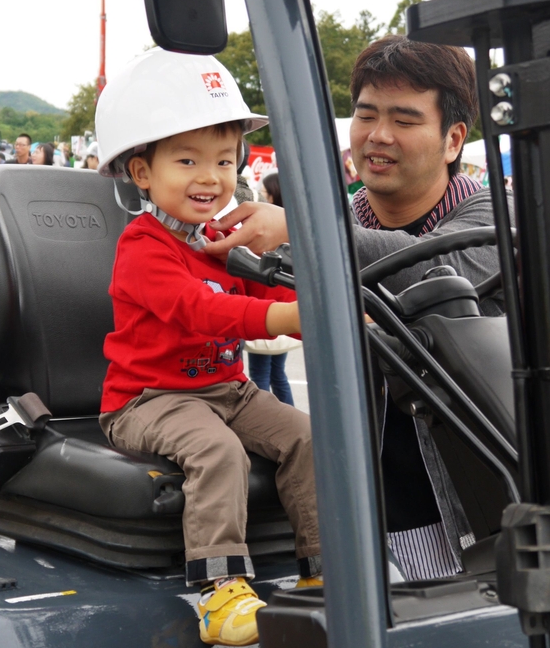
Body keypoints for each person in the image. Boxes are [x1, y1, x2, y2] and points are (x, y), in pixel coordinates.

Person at [204, 35, 512, 581]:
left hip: (486, 500)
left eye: (405, 118)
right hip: (360, 499)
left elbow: (440, 272)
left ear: (452, 139)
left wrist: (305, 228)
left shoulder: (489, 215)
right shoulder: (331, 226)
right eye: (366, 113)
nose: (379, 135)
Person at [96, 49, 322, 648]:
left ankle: (325, 568)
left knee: (305, 435)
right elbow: (201, 310)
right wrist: (280, 314)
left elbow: (264, 288)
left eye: (223, 160)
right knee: (219, 451)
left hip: (226, 388)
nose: (210, 177)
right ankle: (220, 590)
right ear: (141, 173)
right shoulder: (142, 247)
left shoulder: (220, 238)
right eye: (188, 160)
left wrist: (332, 314)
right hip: (150, 398)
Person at [245, 172, 299, 405]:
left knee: (259, 376)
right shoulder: (295, 227)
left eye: (265, 193)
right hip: (288, 309)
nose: (262, 197)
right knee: (278, 374)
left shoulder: (265, 231)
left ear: (274, 194)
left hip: (265, 311)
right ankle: (292, 417)